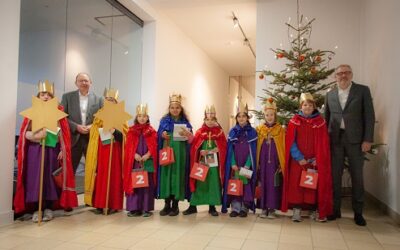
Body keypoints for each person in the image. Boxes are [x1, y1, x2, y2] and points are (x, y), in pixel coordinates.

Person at [14, 81, 78, 222]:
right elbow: (25, 133)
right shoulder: (32, 112)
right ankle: (38, 209)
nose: (46, 97)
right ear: (38, 96)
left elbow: (64, 134)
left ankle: (49, 208)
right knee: (35, 179)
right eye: (43, 94)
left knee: (50, 179)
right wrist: (36, 136)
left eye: (49, 94)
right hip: (35, 151)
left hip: (52, 150)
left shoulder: (58, 112)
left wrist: (63, 149)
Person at [325, 64, 375, 226]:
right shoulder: (330, 94)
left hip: (356, 141)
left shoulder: (362, 91)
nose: (343, 76)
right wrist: (326, 141)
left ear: (351, 74)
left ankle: (358, 213)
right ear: (335, 77)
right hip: (335, 141)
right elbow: (326, 119)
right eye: (339, 73)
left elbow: (369, 116)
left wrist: (368, 139)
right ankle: (335, 210)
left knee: (357, 177)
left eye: (346, 73)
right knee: (334, 176)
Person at [281, 93, 333, 222]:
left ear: (314, 106)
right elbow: (290, 141)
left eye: (310, 105)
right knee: (297, 185)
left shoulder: (320, 122)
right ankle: (297, 210)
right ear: (301, 106)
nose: (307, 107)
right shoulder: (294, 121)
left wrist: (317, 157)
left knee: (312, 186)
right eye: (305, 105)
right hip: (298, 161)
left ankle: (312, 210)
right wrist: (299, 157)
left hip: (314, 161)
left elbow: (323, 142)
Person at [84, 88, 123, 214]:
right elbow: (94, 132)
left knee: (114, 176)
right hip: (101, 149)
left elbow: (125, 135)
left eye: (112, 100)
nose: (109, 101)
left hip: (115, 150)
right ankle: (101, 203)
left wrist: (114, 131)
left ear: (116, 102)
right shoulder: (99, 114)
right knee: (101, 175)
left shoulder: (120, 114)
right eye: (107, 99)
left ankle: (113, 203)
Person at [183, 105, 227, 216]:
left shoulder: (220, 133)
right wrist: (198, 149)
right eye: (207, 119)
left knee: (213, 183)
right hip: (201, 162)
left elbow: (224, 147)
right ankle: (193, 206)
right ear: (204, 120)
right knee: (198, 182)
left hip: (214, 163)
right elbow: (193, 145)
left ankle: (212, 207)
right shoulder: (199, 132)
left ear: (215, 120)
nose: (210, 121)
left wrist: (217, 149)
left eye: (212, 119)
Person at [157, 94, 193, 216]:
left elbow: (190, 138)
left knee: (177, 177)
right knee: (167, 176)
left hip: (180, 153)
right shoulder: (164, 121)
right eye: (172, 107)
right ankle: (166, 204)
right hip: (167, 151)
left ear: (181, 109)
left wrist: (188, 134)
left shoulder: (185, 122)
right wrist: (162, 134)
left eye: (177, 107)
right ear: (169, 108)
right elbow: (158, 135)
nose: (175, 110)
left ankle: (175, 206)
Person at [61, 73, 103, 173]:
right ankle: (69, 189)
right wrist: (76, 127)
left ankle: (91, 189)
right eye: (81, 80)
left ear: (90, 83)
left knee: (93, 170)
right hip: (73, 138)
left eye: (86, 81)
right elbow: (62, 117)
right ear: (76, 83)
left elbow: (102, 118)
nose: (84, 83)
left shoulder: (99, 99)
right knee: (69, 170)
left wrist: (92, 126)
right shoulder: (67, 97)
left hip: (91, 138)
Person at [222, 103, 256, 217]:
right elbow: (230, 150)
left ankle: (244, 207)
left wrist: (248, 164)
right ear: (236, 118)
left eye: (244, 116)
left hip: (246, 165)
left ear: (247, 118)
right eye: (239, 116)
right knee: (235, 184)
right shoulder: (232, 132)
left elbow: (253, 151)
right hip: (235, 165)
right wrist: (232, 163)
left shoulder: (252, 132)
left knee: (245, 185)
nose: (241, 118)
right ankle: (235, 208)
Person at [124, 104, 158, 217]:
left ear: (147, 117)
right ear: (136, 117)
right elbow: (128, 146)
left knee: (146, 184)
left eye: (144, 116)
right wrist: (134, 154)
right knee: (135, 183)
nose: (142, 118)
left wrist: (148, 154)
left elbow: (154, 146)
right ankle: (134, 208)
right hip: (135, 161)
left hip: (147, 161)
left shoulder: (152, 131)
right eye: (139, 116)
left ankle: (146, 208)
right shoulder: (131, 131)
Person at [256, 98, 285, 219]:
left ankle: (272, 209)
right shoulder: (259, 129)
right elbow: (256, 146)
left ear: (275, 115)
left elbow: (282, 146)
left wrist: (280, 163)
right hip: (262, 163)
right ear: (264, 115)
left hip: (274, 163)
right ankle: (263, 208)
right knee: (263, 183)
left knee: (273, 185)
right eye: (267, 115)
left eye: (271, 115)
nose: (269, 117)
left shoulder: (280, 130)